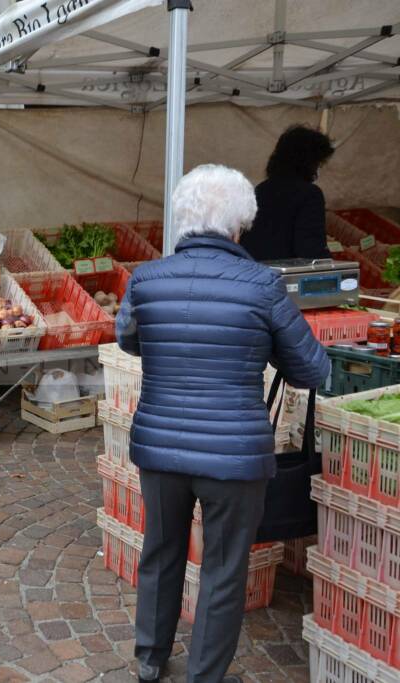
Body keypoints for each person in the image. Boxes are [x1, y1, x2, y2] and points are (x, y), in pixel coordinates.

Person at [116, 164, 329, 683]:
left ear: (185, 218)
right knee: (223, 568)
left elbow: (128, 338)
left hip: (161, 446)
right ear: (240, 226)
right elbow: (313, 368)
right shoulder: (262, 284)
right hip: (235, 455)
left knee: (161, 551)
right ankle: (205, 675)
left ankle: (149, 659)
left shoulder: (147, 278)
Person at [240, 125, 335, 261]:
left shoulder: (261, 189)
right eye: (318, 163)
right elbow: (310, 247)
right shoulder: (310, 194)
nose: (318, 168)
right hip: (287, 275)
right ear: (308, 162)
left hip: (255, 269)